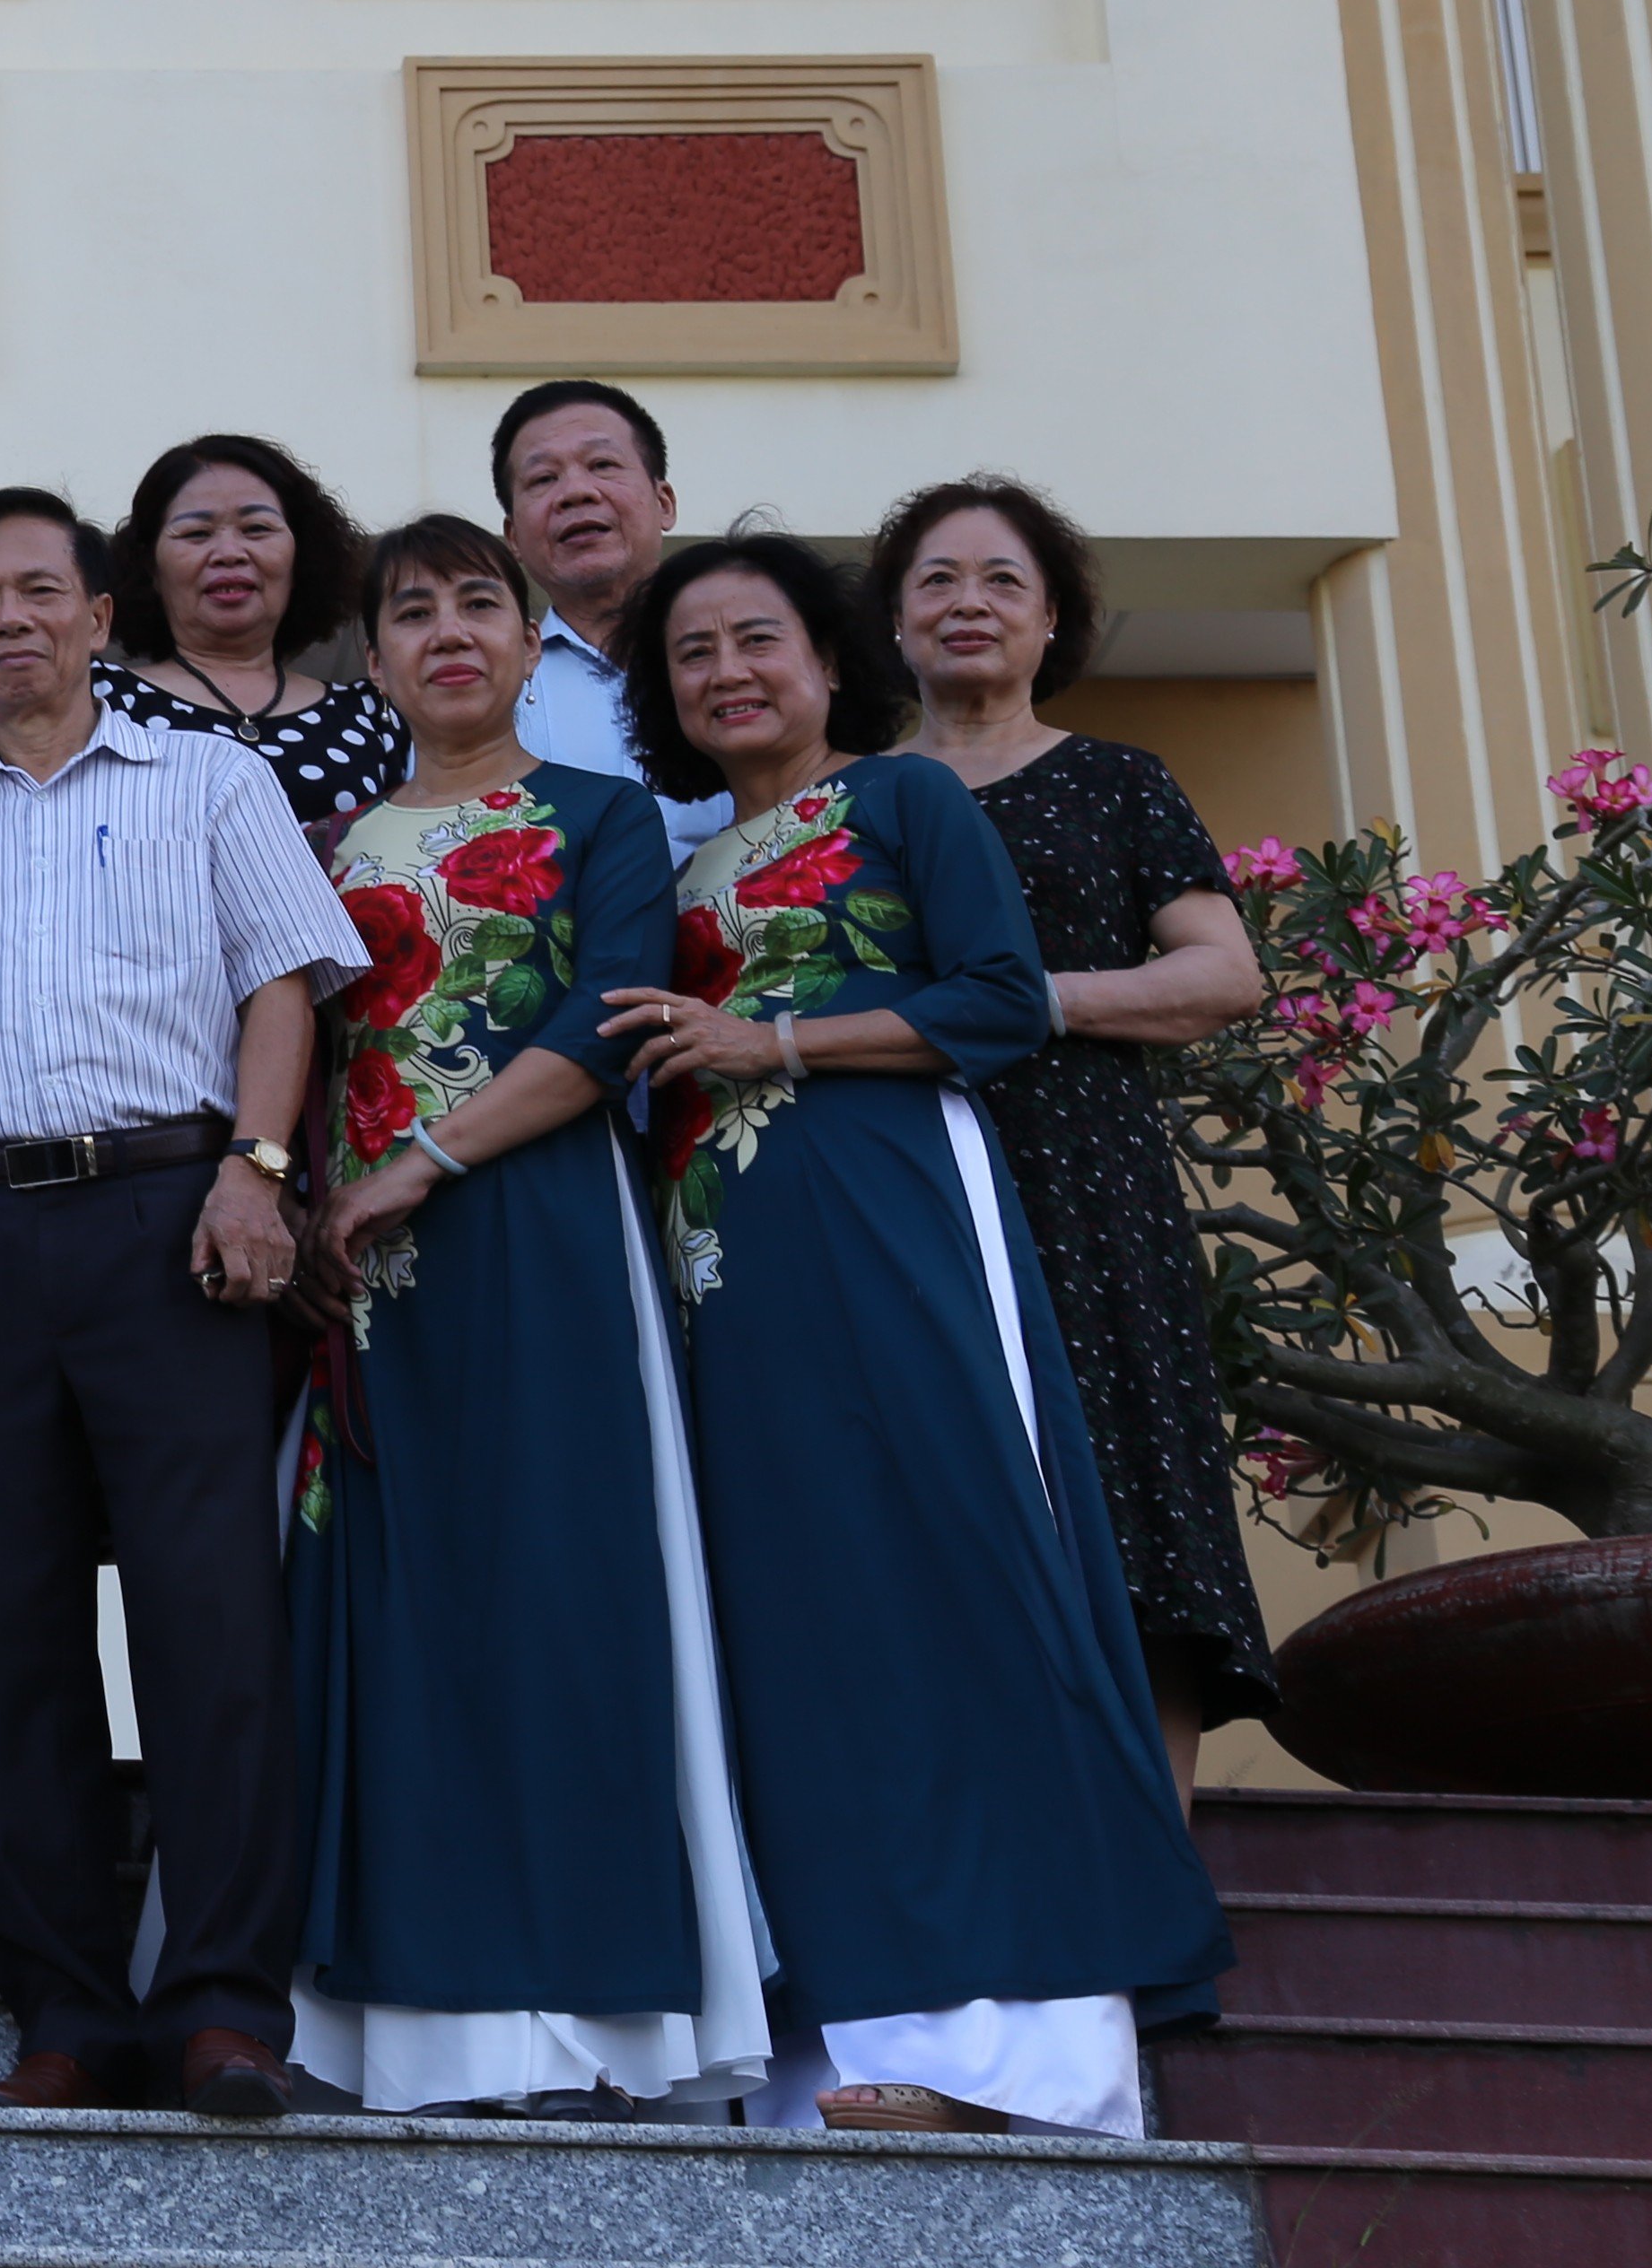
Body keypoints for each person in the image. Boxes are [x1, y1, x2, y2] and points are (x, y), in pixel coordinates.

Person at [606, 535, 1233, 2141]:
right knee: (797, 1624)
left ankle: (1017, 2052)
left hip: (891, 1214)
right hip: (726, 1274)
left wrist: (778, 1037)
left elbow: (1002, 997)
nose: (729, 671)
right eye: (693, 653)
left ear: (827, 660)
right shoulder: (677, 874)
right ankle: (830, 2043)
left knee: (945, 1579)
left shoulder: (904, 801)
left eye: (760, 638)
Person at [0, 491, 364, 2120]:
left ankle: (227, 2002)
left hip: (175, 1214)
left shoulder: (209, 776)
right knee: (0, 1634)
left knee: (206, 1618)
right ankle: (66, 2012)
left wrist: (255, 1165)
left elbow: (280, 980)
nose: (7, 617)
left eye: (39, 590)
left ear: (100, 617)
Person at [288, 515, 768, 2120]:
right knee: (389, 1607)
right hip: (360, 1270)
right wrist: (322, 1199)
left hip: (545, 1235)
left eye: (475, 604)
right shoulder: (328, 839)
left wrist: (420, 1159)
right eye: (408, 612)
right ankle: (408, 2016)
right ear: (369, 657)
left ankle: (597, 2007)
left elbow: (608, 1022)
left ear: (524, 635)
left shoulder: (602, 815)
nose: (445, 634)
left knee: (569, 1588)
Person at [877, 475, 1278, 1788]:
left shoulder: (1117, 782)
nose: (969, 604)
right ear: (893, 620)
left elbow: (1222, 975)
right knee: (931, 1513)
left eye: (1004, 581)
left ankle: (1154, 1886)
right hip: (907, 1179)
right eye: (938, 579)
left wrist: (1020, 1001)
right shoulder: (854, 800)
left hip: (1091, 1180)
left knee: (1134, 1515)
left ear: (1054, 623)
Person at [96, 434, 411, 830]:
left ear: (302, 557)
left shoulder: (374, 714)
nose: (229, 552)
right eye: (196, 534)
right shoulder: (96, 703)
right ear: (151, 568)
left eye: (257, 528)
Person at [491, 380, 719, 859]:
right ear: (513, 535)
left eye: (602, 465)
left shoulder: (743, 667)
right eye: (543, 479)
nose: (576, 492)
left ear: (664, 503)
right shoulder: (488, 685)